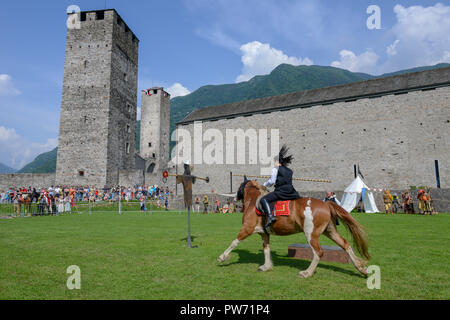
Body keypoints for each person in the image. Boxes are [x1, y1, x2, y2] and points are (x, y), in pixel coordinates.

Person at [260, 145, 300, 228]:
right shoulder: (289, 171)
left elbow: (272, 181)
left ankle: (270, 217)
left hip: (281, 192)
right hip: (292, 192)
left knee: (263, 199)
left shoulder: (275, 169)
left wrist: (264, 184)